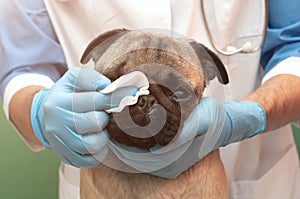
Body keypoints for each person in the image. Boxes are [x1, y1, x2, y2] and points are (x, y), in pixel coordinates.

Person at [0, 0, 300, 198]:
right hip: (99, 178)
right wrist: (40, 113)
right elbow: (24, 70)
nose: (146, 101)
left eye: (175, 92)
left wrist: (250, 115)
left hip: (248, 174)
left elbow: (295, 47)